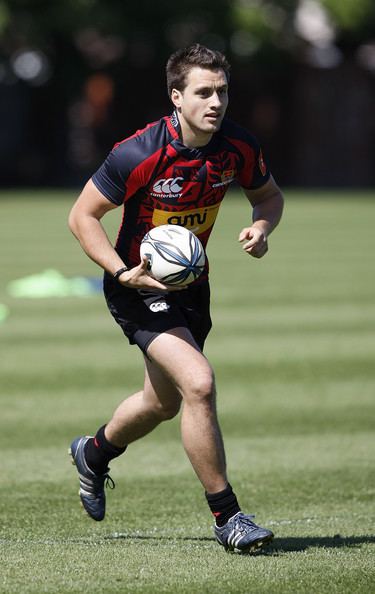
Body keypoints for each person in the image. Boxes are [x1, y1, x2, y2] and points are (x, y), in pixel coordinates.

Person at [68, 43, 284, 553]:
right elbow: (82, 216)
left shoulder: (239, 147)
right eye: (204, 92)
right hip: (137, 286)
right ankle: (228, 517)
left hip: (193, 288)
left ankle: (94, 453)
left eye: (222, 92)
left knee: (162, 402)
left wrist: (260, 227)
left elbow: (268, 196)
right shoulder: (138, 153)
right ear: (176, 97)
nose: (216, 102)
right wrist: (123, 273)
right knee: (199, 383)